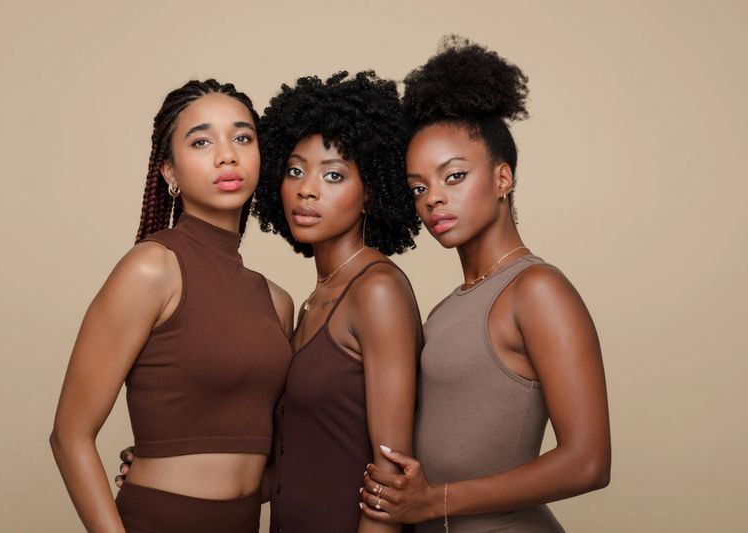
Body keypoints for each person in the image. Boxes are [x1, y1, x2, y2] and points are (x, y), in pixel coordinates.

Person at [360, 36, 611, 532]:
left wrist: (435, 501)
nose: (432, 198)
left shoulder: (537, 290)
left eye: (453, 176)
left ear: (502, 179)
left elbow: (589, 462)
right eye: (418, 187)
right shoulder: (448, 307)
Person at [50, 79, 294, 533]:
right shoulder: (151, 270)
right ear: (169, 172)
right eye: (201, 141)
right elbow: (69, 435)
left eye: (242, 138)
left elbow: (267, 458)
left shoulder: (277, 302)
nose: (227, 155)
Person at [253, 71, 423, 533]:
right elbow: (290, 465)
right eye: (295, 170)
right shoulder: (312, 300)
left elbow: (392, 475)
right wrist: (172, 468)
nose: (306, 189)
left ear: (371, 192)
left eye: (333, 175)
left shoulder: (377, 291)